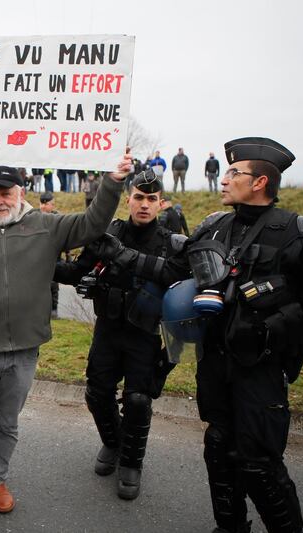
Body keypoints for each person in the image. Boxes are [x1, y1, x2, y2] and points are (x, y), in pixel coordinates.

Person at [97, 137, 303, 533]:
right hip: (215, 361)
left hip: (262, 371)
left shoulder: (301, 235)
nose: (224, 178)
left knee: (259, 463)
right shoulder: (214, 226)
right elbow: (170, 271)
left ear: (260, 182)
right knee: (218, 448)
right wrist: (118, 253)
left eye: (235, 172)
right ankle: (229, 527)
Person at [0, 159, 130, 522]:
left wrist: (112, 181)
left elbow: (92, 224)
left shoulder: (45, 227)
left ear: (21, 192)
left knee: (7, 423)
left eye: (6, 192)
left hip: (24, 352)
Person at [54, 169, 185, 500]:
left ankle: (131, 462)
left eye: (151, 199)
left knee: (138, 401)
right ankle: (113, 443)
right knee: (96, 394)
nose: (144, 205)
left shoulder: (172, 243)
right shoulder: (108, 233)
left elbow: (177, 279)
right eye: (138, 198)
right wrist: (40, 260)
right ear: (128, 199)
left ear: (161, 203)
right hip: (108, 329)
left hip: (145, 334)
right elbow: (76, 271)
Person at [39, 192, 61, 318]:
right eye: (51, 204)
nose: (53, 206)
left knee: (54, 286)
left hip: (54, 258)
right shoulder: (33, 217)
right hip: (38, 259)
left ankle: (54, 310)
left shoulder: (57, 217)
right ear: (44, 204)